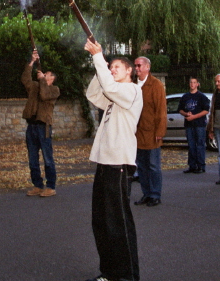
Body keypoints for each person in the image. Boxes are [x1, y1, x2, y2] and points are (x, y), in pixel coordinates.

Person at [84, 39, 143, 281]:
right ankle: (109, 272)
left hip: (119, 164)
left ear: (129, 71)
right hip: (104, 163)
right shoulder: (113, 94)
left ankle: (127, 276)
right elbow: (93, 93)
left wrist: (99, 58)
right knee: (101, 221)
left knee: (118, 223)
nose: (113, 70)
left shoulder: (131, 91)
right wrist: (101, 67)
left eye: (117, 67)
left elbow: (109, 88)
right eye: (112, 67)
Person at [21, 50, 60, 197]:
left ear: (52, 79)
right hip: (31, 126)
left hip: (44, 127)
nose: (44, 75)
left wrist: (42, 80)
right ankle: (37, 184)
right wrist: (31, 62)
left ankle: (50, 186)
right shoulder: (36, 86)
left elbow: (44, 96)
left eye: (47, 74)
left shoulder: (54, 90)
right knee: (32, 158)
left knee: (47, 158)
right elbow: (25, 80)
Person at [132, 56, 167, 207]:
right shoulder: (132, 85)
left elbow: (161, 110)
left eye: (139, 65)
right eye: (135, 66)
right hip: (137, 134)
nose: (136, 68)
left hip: (152, 132)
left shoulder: (156, 85)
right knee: (141, 166)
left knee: (153, 165)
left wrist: (160, 131)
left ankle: (155, 194)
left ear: (147, 67)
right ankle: (146, 193)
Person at [178, 76, 211, 173]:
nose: (192, 84)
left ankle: (201, 166)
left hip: (199, 124)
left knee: (200, 145)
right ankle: (192, 165)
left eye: (194, 82)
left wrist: (194, 116)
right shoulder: (185, 97)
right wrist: (186, 114)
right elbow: (180, 109)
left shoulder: (202, 97)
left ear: (197, 84)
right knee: (191, 145)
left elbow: (206, 111)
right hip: (189, 125)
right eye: (191, 82)